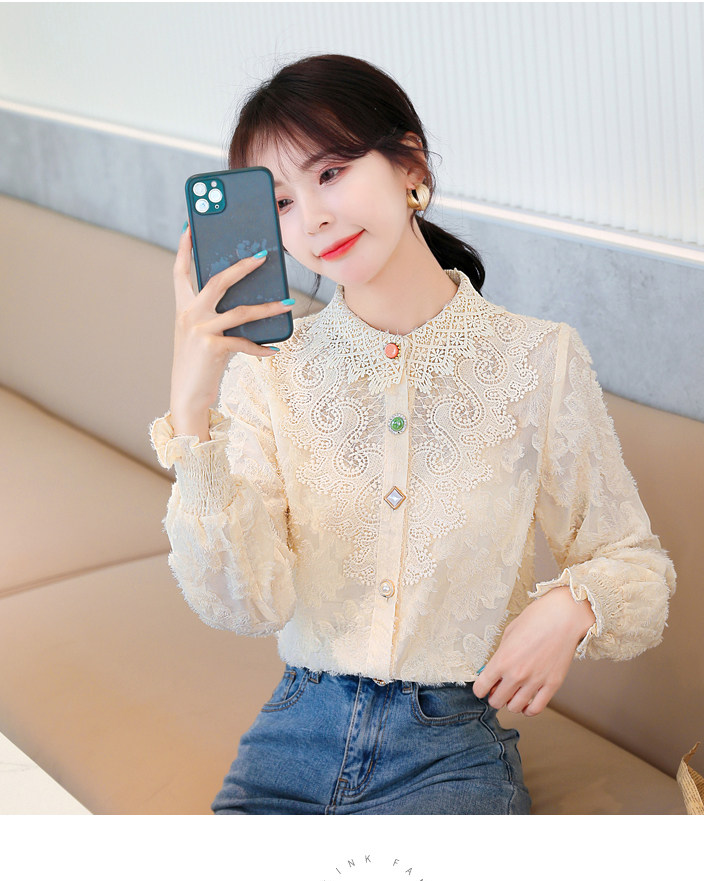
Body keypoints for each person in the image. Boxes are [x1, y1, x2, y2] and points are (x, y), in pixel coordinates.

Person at [149, 53, 676, 815]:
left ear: (411, 167)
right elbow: (245, 606)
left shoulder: (539, 359)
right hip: (290, 738)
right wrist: (191, 405)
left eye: (331, 173)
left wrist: (573, 606)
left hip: (450, 749)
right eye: (283, 202)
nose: (313, 218)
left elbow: (634, 561)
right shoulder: (270, 370)